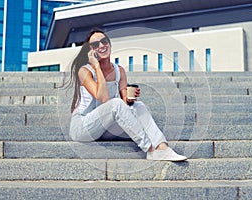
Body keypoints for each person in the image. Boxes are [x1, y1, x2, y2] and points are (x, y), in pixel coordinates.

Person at [67, 28, 187, 161]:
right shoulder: (85, 71)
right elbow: (103, 98)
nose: (101, 46)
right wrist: (96, 67)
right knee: (115, 104)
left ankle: (162, 147)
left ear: (109, 44)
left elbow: (124, 103)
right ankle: (150, 149)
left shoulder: (119, 71)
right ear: (91, 50)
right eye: (96, 44)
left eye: (104, 41)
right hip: (83, 127)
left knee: (138, 106)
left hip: (104, 127)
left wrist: (130, 98)